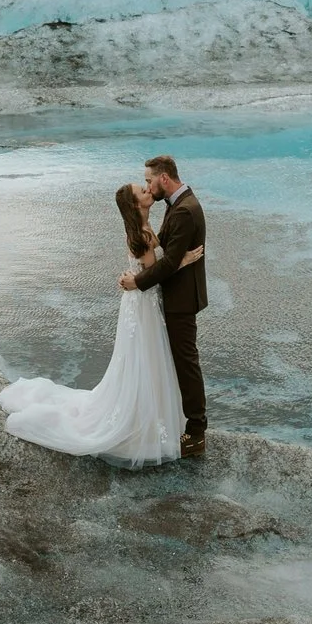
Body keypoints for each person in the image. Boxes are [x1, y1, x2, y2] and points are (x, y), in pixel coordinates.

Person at [0, 173, 206, 466]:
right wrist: (181, 261)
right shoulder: (143, 235)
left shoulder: (143, 229)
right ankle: (140, 418)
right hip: (142, 304)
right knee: (144, 359)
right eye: (141, 190)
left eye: (145, 185)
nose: (147, 190)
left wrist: (141, 273)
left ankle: (144, 413)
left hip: (137, 303)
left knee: (141, 360)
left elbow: (149, 266)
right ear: (135, 204)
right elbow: (155, 276)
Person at [125, 154, 207, 459]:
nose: (148, 187)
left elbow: (170, 261)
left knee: (186, 363)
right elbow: (170, 253)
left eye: (149, 180)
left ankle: (197, 432)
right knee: (174, 362)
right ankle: (173, 422)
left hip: (181, 300)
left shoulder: (184, 210)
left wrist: (138, 281)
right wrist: (177, 259)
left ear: (164, 178)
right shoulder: (179, 204)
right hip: (175, 296)